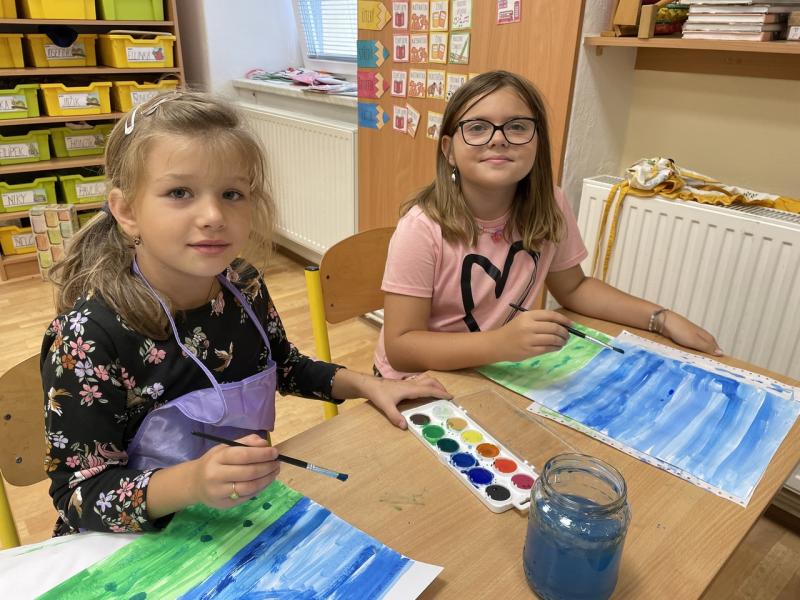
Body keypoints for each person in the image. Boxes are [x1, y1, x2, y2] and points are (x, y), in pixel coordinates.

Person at [41, 92, 450, 536]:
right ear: (127, 211)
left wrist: (367, 384)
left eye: (232, 193)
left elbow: (283, 366)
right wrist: (192, 483)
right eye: (179, 193)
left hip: (235, 522)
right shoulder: (88, 337)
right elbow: (79, 494)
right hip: (133, 545)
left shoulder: (243, 285)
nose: (214, 215)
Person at [375, 70, 721, 379]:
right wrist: (500, 343)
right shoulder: (421, 228)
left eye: (517, 127)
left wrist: (661, 319)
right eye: (477, 127)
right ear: (449, 150)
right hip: (415, 382)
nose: (498, 138)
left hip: (493, 371)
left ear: (537, 143)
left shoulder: (550, 203)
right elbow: (402, 348)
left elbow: (574, 288)